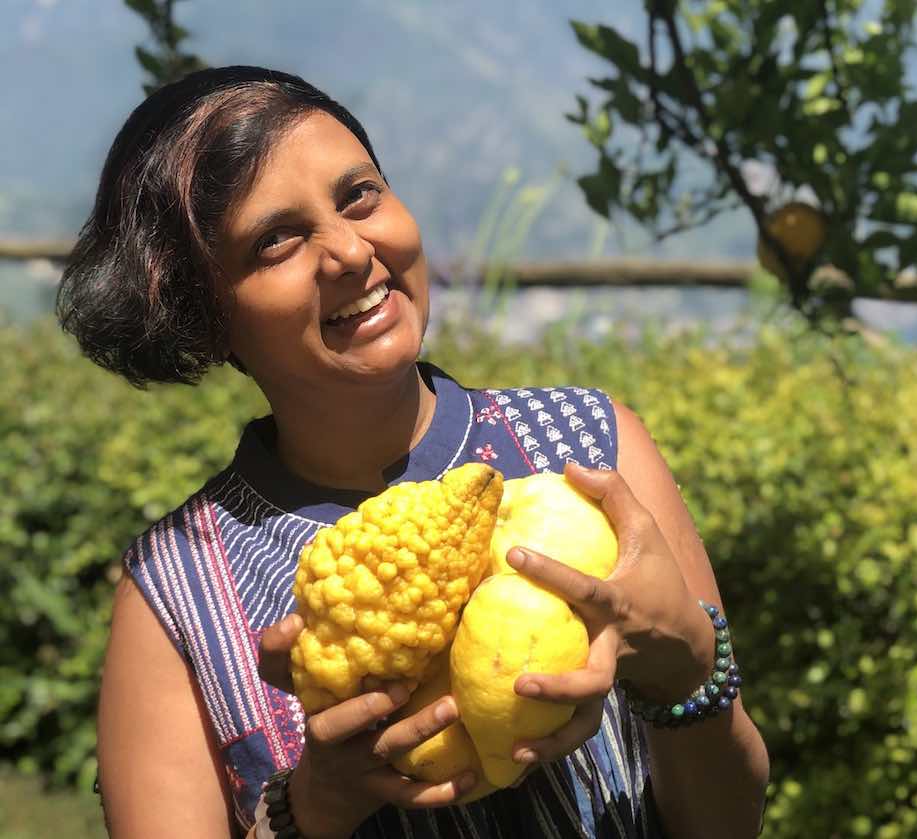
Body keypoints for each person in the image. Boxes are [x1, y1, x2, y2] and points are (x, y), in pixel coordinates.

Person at [57, 65, 769, 839]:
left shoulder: (594, 448)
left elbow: (728, 822)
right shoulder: (177, 595)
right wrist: (314, 808)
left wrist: (685, 673)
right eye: (276, 240)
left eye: (358, 195)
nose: (348, 253)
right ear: (205, 316)